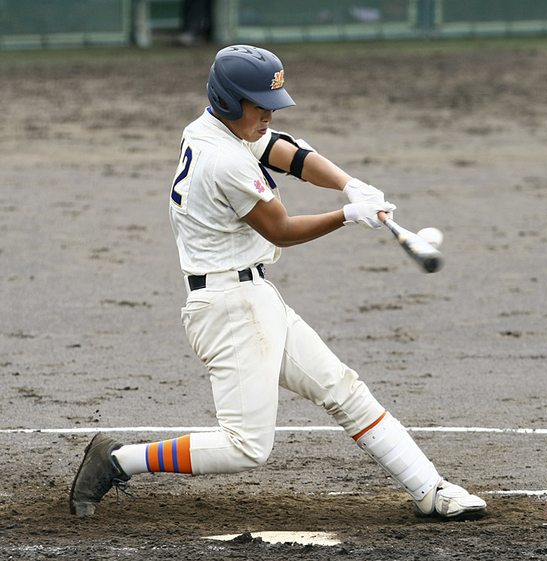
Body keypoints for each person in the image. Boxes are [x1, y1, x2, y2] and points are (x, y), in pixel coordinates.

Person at [69, 45, 486, 521]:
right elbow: (280, 228)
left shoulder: (211, 127)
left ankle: (429, 489)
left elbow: (279, 149)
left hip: (253, 298)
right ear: (228, 101)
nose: (268, 113)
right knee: (246, 448)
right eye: (258, 105)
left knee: (343, 390)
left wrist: (347, 183)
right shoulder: (223, 161)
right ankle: (117, 460)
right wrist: (348, 215)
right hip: (229, 309)